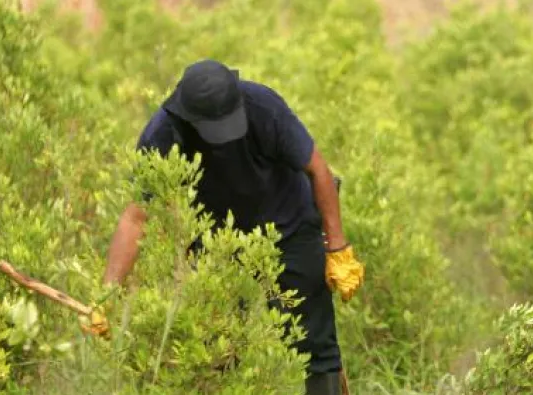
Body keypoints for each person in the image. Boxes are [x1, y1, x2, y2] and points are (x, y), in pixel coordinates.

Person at [93, 59, 366, 395]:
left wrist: (337, 249)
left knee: (314, 343)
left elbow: (319, 170)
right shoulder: (163, 134)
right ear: (188, 117)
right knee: (216, 348)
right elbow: (136, 217)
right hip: (215, 245)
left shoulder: (263, 106)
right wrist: (106, 296)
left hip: (289, 229)